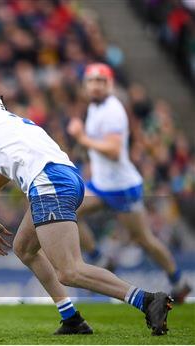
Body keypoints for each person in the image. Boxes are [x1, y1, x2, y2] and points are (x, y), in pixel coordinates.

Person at [0, 93, 173, 336]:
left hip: (50, 185)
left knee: (69, 271)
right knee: (24, 248)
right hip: (68, 179)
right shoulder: (15, 125)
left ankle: (146, 300)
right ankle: (71, 317)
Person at [67, 63, 191, 304]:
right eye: (92, 81)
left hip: (122, 188)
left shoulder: (113, 110)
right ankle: (99, 258)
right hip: (102, 185)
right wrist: (83, 144)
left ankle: (178, 282)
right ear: (85, 85)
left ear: (110, 85)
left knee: (144, 239)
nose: (96, 85)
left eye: (101, 81)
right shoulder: (94, 107)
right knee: (69, 211)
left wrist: (83, 138)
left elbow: (113, 151)